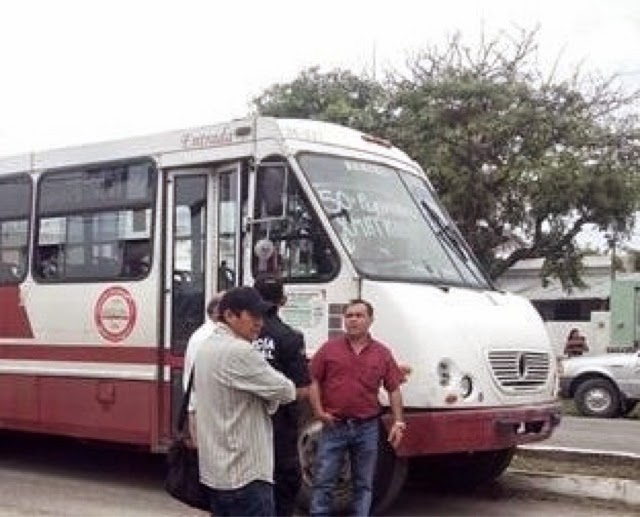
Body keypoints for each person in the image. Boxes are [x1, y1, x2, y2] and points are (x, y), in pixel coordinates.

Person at [194, 286, 296, 517]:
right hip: (245, 474)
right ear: (230, 315)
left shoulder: (206, 346)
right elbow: (287, 390)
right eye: (253, 315)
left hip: (216, 472)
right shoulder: (239, 351)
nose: (260, 323)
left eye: (262, 316)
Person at [308, 299, 406, 517]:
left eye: (359, 315)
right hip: (334, 426)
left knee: (364, 484)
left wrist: (398, 421)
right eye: (349, 315)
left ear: (370, 320)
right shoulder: (329, 349)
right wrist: (318, 412)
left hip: (367, 428)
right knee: (324, 481)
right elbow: (313, 379)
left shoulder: (382, 353)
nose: (353, 320)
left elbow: (394, 388)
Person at [253, 275, 311, 517]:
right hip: (279, 428)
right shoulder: (289, 337)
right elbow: (302, 390)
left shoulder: (238, 336)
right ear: (283, 300)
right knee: (282, 491)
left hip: (244, 428)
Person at [182, 291, 225, 444]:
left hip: (202, 408)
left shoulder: (204, 333)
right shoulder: (208, 336)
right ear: (217, 312)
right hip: (205, 410)